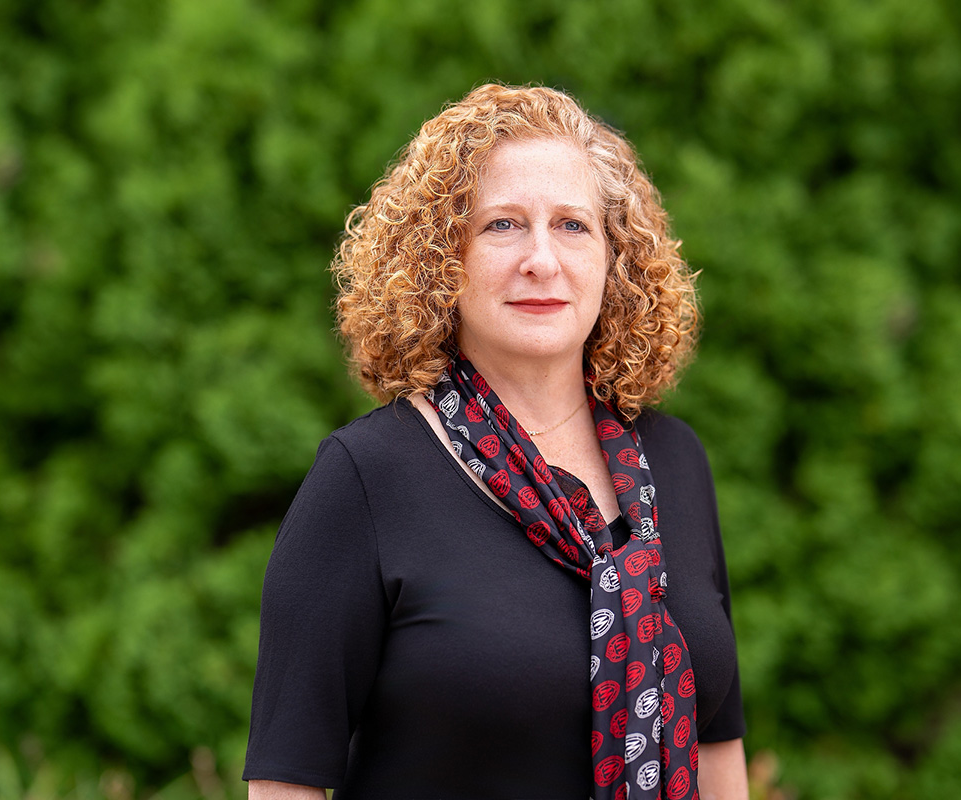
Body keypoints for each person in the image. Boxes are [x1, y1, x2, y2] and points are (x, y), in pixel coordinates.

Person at [243, 84, 747, 800]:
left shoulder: (675, 461)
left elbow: (716, 746)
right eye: (502, 225)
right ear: (439, 261)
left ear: (616, 258)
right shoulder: (367, 478)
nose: (541, 258)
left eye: (572, 225)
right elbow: (285, 781)